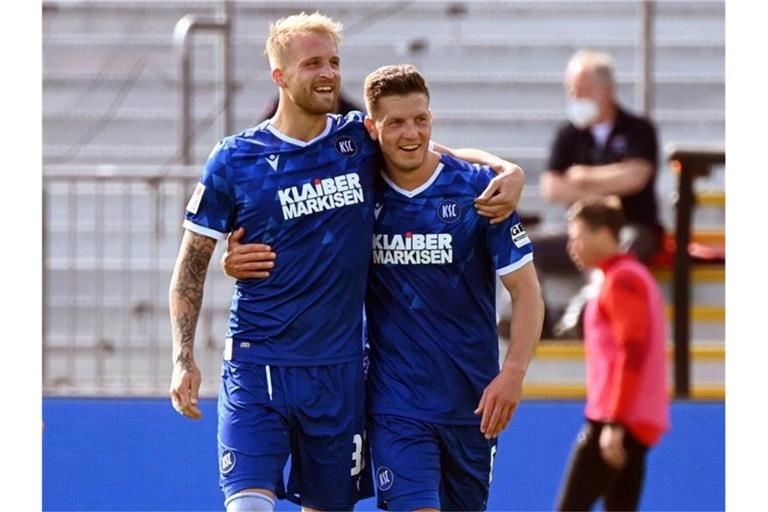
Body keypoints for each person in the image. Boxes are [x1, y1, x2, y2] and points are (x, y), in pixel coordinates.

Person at [168, 12, 525, 512]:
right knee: (248, 506)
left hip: (338, 375)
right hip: (257, 365)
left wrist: (507, 168)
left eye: (334, 62)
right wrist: (183, 356)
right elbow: (191, 263)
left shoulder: (358, 140)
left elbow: (429, 150)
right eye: (313, 63)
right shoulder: (235, 159)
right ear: (280, 76)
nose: (328, 74)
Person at [535, 49, 664, 337]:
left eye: (582, 90)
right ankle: (532, 321)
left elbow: (637, 177)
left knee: (623, 248)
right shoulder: (568, 134)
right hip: (579, 232)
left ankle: (582, 313)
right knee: (524, 247)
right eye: (572, 90)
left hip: (631, 229)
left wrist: (583, 177)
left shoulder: (638, 129)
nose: (575, 97)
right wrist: (613, 178)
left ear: (606, 90)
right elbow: (551, 187)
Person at [555, 197, 669, 511]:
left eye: (576, 236)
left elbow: (630, 351)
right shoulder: (624, 275)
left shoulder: (622, 279)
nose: (571, 246)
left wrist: (615, 422)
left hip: (618, 419)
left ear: (602, 233)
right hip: (629, 419)